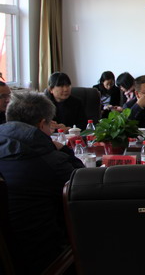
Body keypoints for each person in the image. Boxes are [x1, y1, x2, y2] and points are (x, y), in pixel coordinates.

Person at [0, 91, 84, 274]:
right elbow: (83, 188)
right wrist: (65, 151)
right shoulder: (51, 161)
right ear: (41, 124)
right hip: (42, 258)